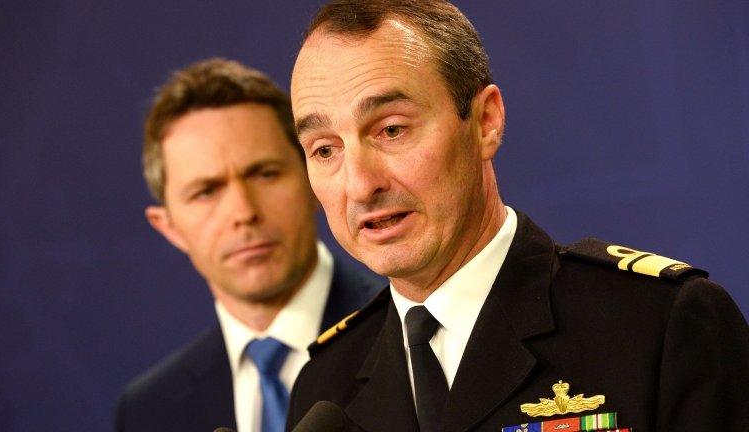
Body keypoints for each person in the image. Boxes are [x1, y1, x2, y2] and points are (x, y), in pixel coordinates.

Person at [286, 1, 749, 431]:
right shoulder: (324, 385)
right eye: (325, 149)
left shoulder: (659, 325)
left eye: (391, 130)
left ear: (486, 121)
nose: (361, 184)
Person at [114, 58, 382, 432]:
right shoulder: (149, 411)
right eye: (206, 192)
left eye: (265, 174)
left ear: (312, 179)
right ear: (169, 226)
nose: (243, 212)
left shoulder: (408, 331)